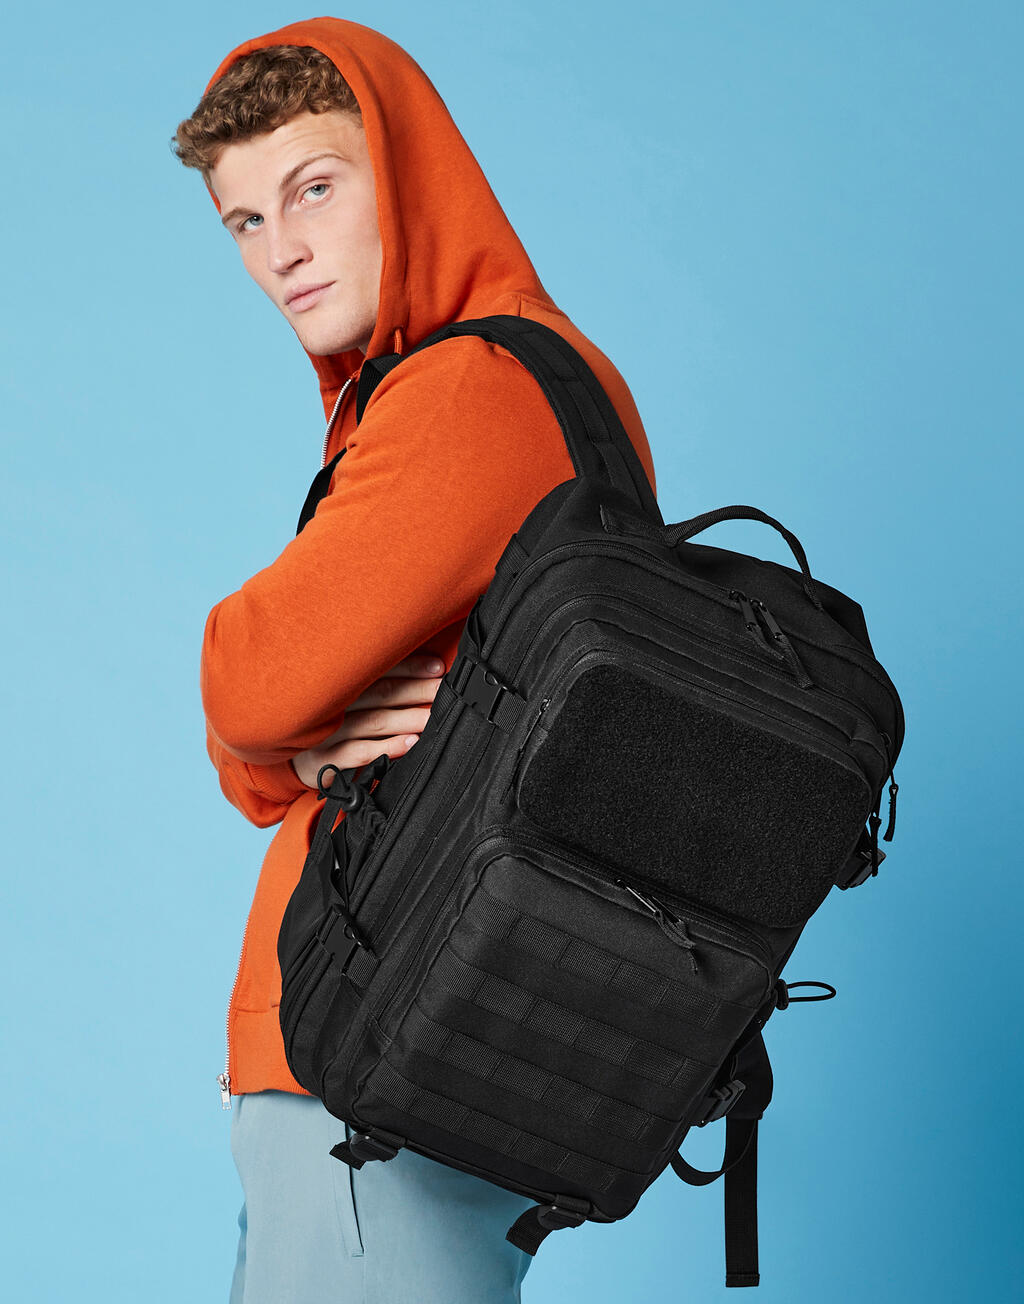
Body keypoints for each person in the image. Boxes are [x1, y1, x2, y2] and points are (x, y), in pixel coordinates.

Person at [172, 16, 657, 1303]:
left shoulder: (468, 388)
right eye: (243, 220)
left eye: (314, 189)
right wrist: (291, 759)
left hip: (365, 1041)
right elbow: (282, 727)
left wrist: (271, 749)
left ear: (411, 177)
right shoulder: (563, 378)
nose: (280, 251)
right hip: (460, 1033)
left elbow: (245, 678)